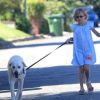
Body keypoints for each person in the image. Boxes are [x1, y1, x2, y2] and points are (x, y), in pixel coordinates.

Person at [70, 7, 100, 95]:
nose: (79, 18)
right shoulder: (74, 27)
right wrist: (70, 39)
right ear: (75, 18)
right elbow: (75, 37)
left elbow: (97, 34)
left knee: (86, 67)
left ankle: (88, 81)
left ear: (85, 17)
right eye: (77, 17)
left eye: (81, 16)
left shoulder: (89, 25)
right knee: (81, 68)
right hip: (78, 51)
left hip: (88, 50)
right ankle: (81, 87)